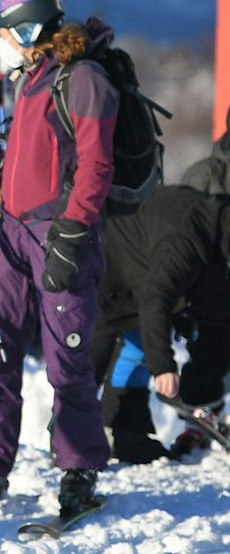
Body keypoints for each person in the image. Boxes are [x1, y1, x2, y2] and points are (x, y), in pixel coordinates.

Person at [0, 0, 116, 521]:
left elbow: (95, 164)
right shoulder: (35, 78)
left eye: (3, 31)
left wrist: (72, 230)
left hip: (58, 235)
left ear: (28, 26)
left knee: (66, 361)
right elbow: (27, 161)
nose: (0, 43)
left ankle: (79, 472)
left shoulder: (83, 77)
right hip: (13, 232)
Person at [92, 185, 230, 463]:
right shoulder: (186, 241)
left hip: (147, 269)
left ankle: (129, 434)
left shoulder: (215, 233)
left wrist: (202, 389)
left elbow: (216, 312)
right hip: (107, 268)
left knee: (141, 347)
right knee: (94, 356)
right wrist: (163, 365)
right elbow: (156, 300)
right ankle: (70, 435)